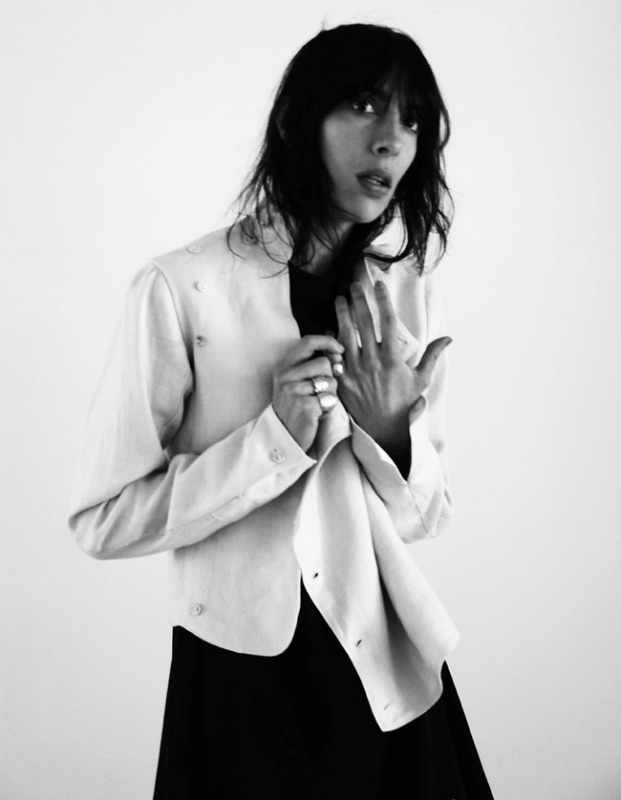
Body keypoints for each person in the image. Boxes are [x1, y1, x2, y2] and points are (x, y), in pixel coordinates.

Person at [69, 22, 494, 799]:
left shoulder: (403, 293)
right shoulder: (179, 287)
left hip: (380, 663)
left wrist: (393, 432)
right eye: (363, 105)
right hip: (241, 675)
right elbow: (103, 520)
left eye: (411, 121)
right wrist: (273, 442)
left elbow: (424, 517)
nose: (390, 140)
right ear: (300, 120)